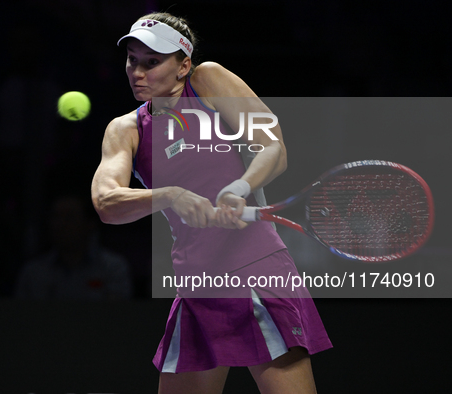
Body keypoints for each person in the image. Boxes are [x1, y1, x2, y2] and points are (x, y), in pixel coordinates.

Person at [91, 12, 332, 393]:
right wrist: (169, 195)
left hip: (257, 269)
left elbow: (273, 147)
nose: (138, 72)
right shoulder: (126, 130)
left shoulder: (206, 80)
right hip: (197, 284)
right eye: (132, 60)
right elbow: (107, 202)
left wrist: (240, 186)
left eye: (152, 62)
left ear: (183, 65)